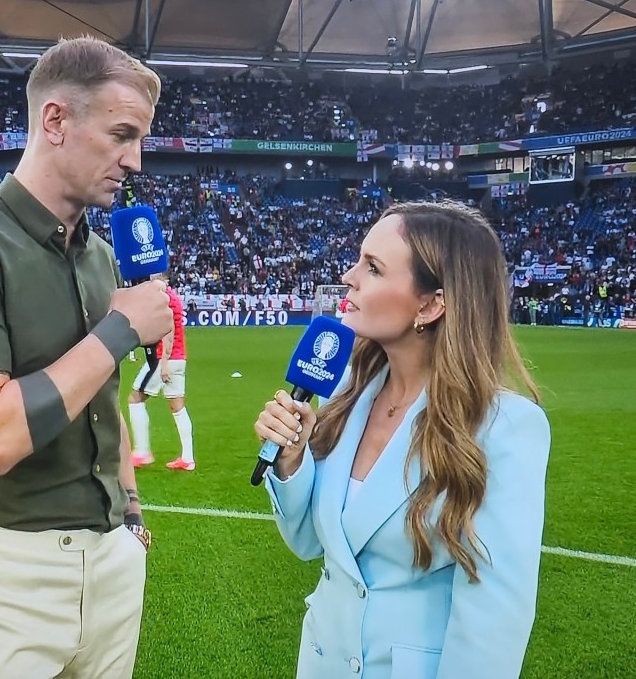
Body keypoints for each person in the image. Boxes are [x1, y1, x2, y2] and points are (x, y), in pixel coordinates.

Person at [0, 36, 172, 679]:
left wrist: (130, 518)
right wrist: (118, 332)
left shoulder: (103, 258)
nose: (134, 160)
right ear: (55, 120)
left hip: (111, 563)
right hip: (4, 573)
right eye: (121, 134)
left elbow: (101, 407)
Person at [254, 201, 551, 679]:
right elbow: (311, 543)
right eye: (358, 260)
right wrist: (292, 462)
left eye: (372, 268)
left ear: (431, 304)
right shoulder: (347, 388)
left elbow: (494, 622)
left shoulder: (505, 427)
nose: (349, 277)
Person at [128, 273, 196, 471]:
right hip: (179, 359)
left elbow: (168, 331)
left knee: (135, 399)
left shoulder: (162, 298)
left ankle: (142, 452)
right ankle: (188, 458)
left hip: (163, 360)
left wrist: (164, 363)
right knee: (178, 407)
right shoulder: (173, 297)